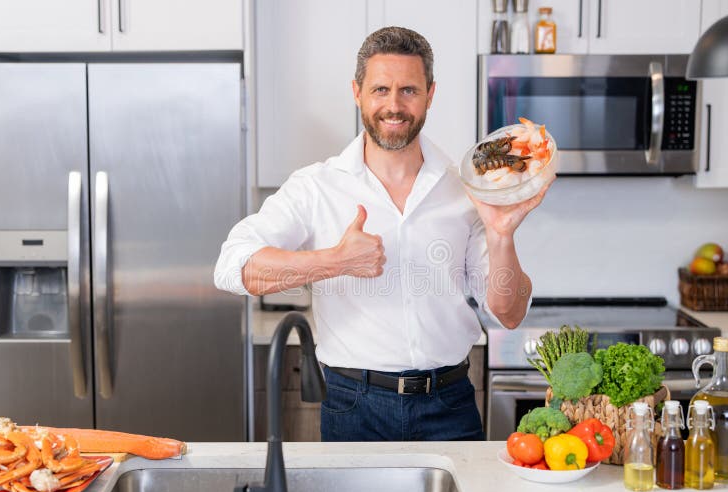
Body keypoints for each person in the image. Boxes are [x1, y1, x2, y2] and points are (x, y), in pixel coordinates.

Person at [214, 26, 551, 441]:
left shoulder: (468, 189)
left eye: (409, 90)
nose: (394, 105)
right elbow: (232, 267)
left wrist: (501, 236)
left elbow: (510, 313)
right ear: (357, 92)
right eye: (380, 90)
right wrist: (334, 261)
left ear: (431, 94)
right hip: (353, 408)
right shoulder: (316, 186)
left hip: (449, 406)